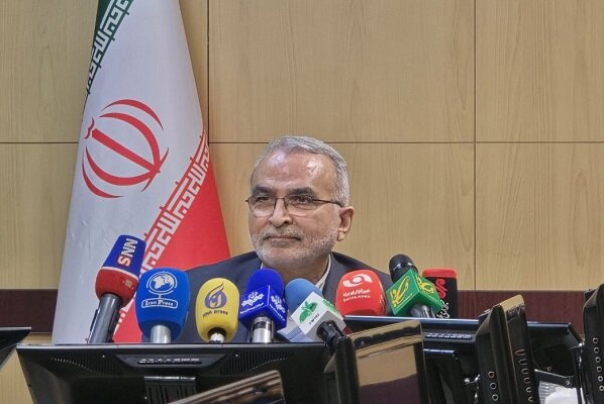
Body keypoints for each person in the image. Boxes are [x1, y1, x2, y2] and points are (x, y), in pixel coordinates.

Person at [175, 135, 392, 343]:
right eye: (263, 199)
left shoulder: (389, 303)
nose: (278, 218)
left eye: (302, 200)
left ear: (342, 222)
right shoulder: (190, 298)